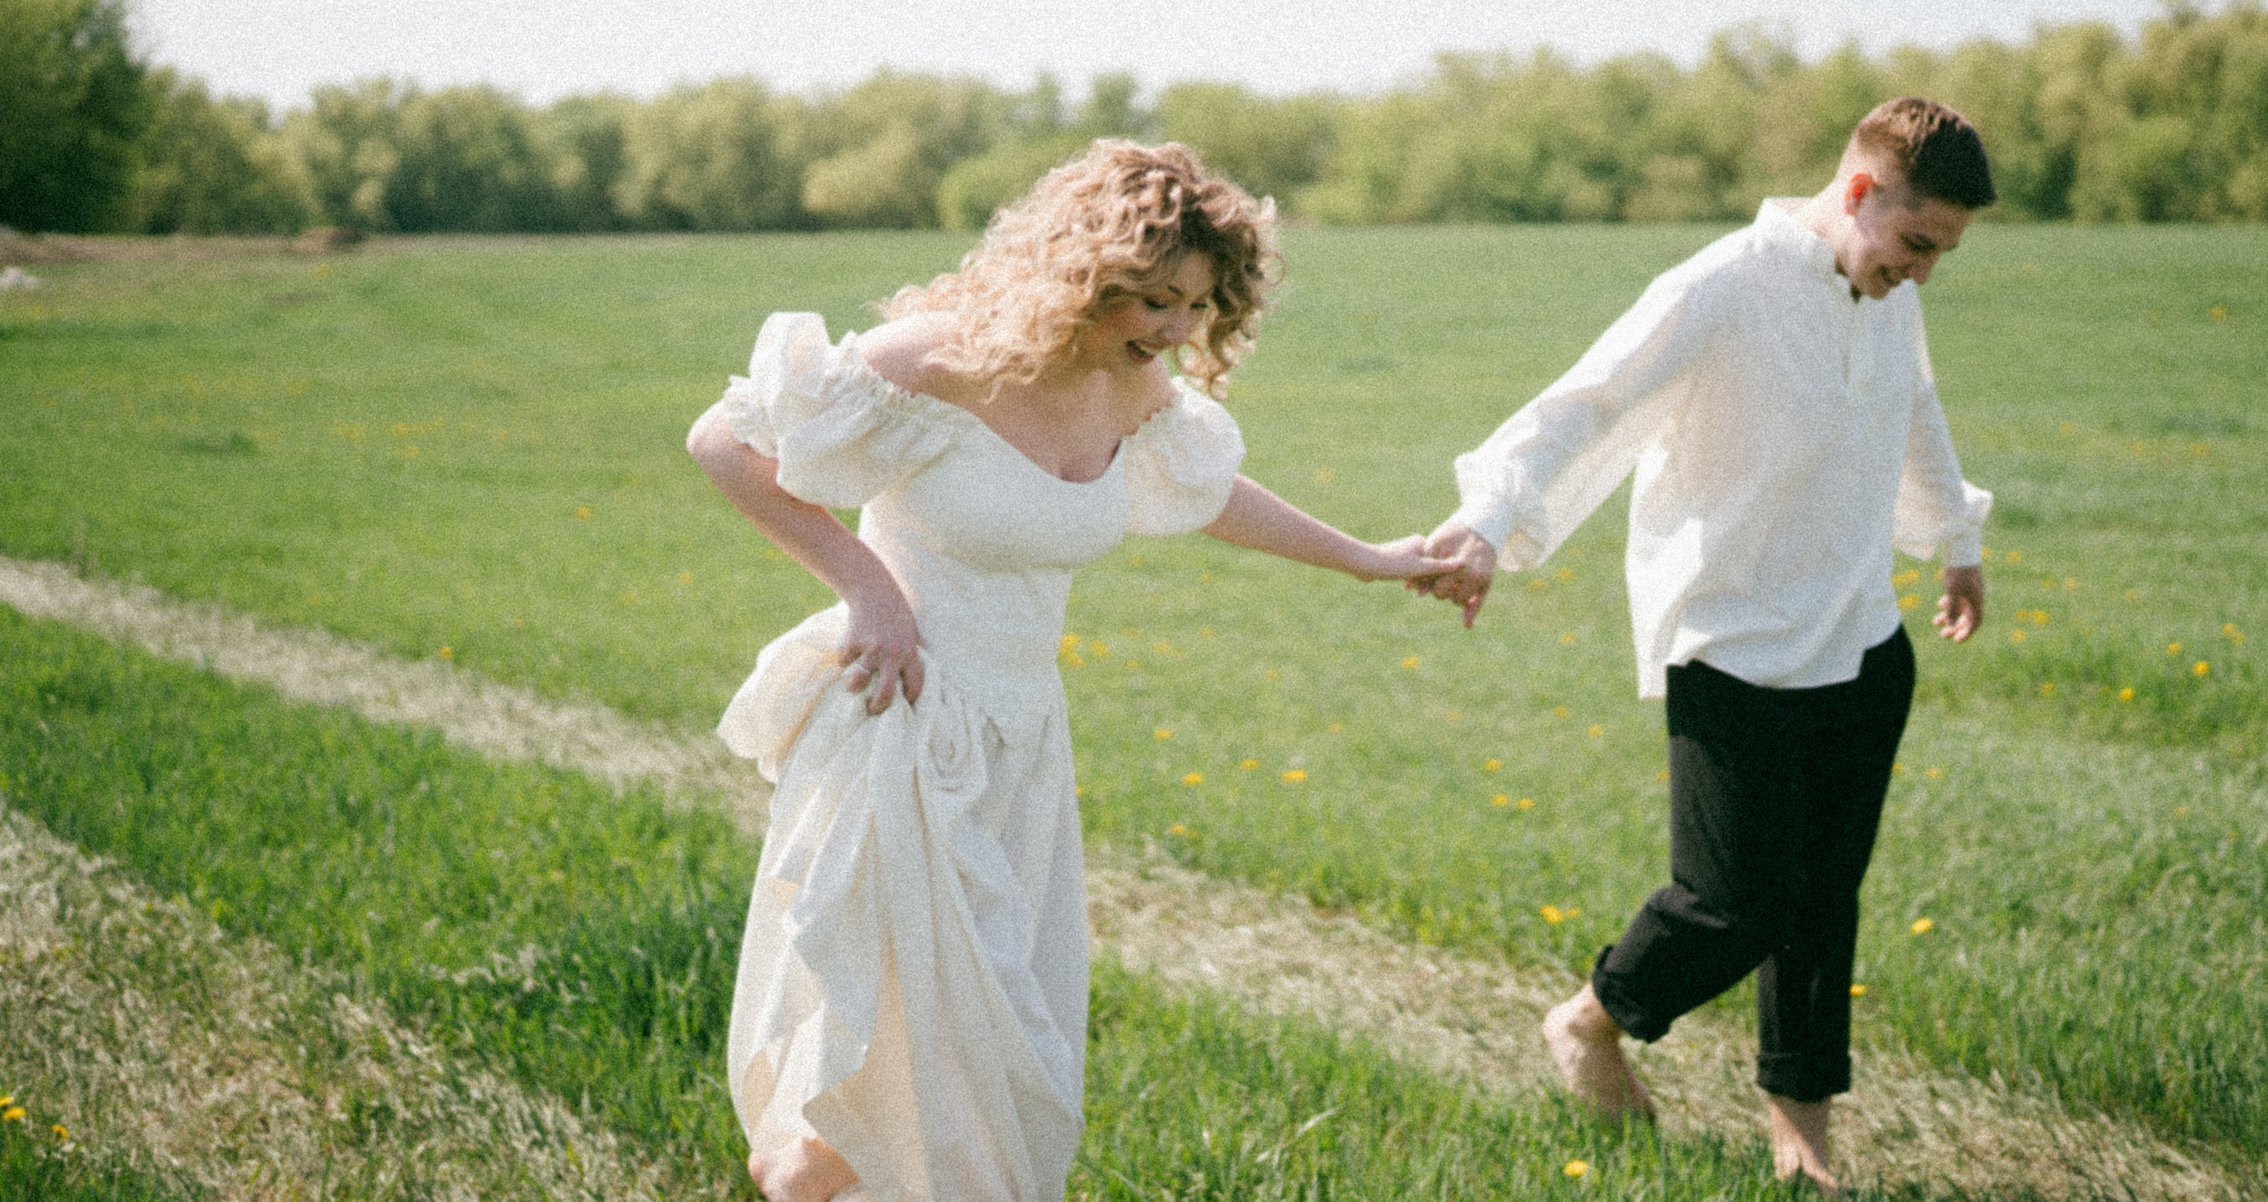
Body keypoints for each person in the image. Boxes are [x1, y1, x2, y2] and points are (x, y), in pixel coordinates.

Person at [688, 140, 1457, 1202]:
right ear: (1082, 275)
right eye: (1154, 298)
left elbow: (1208, 493)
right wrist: (868, 589)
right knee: (910, 1035)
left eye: (1198, 303)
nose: (1177, 329)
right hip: (903, 725)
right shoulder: (941, 361)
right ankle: (797, 1180)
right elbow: (722, 443)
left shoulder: (1127, 387)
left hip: (1023, 747)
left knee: (997, 1039)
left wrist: (1369, 558)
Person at [1417, 97, 1997, 1196]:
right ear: (1860, 193)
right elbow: (1584, 404)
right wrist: (1488, 520)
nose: (1922, 271)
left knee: (1822, 904)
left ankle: (1803, 1142)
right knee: (1732, 900)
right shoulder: (1723, 286)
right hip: (1733, 640)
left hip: (1862, 640)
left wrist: (1953, 540)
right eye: (1917, 242)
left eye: (1942, 254)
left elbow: (1913, 407)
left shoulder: (1889, 294)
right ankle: (1591, 1020)